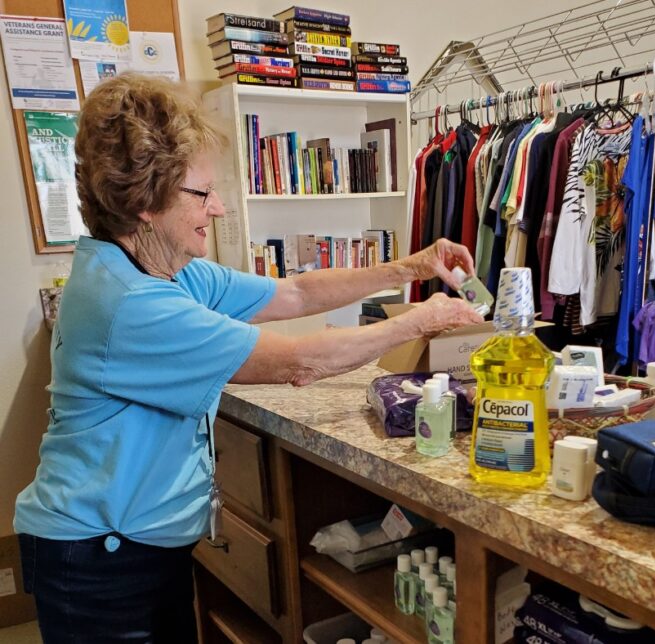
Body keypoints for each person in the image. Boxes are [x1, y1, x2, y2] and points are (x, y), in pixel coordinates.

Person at [14, 73, 483, 643]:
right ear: (144, 202)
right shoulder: (133, 305)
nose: (217, 207)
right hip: (98, 559)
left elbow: (297, 293)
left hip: (133, 546)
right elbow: (299, 362)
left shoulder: (161, 266)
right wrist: (420, 320)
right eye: (201, 194)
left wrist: (409, 267)